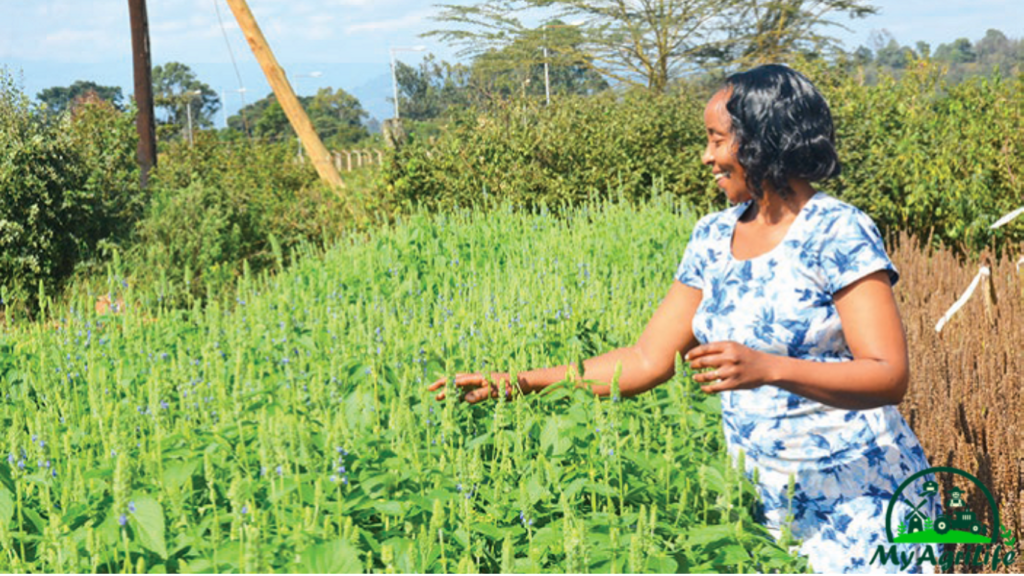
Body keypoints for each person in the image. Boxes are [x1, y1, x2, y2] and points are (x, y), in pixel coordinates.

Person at [428, 64, 935, 573]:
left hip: (861, 500)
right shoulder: (712, 237)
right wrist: (520, 383)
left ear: (762, 141)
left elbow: (887, 374)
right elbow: (645, 359)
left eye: (717, 140)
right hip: (767, 504)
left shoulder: (837, 230)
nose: (707, 157)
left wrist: (769, 368)